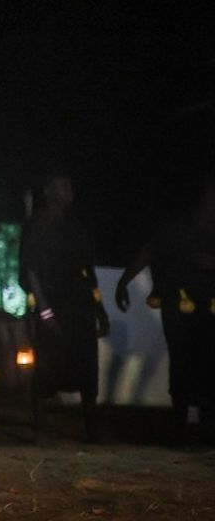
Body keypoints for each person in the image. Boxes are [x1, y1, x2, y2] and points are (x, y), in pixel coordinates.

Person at [115, 170, 215, 443]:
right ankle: (181, 422)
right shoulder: (176, 228)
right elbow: (150, 250)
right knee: (183, 361)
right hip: (179, 306)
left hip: (209, 309)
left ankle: (206, 422)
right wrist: (124, 281)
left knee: (208, 362)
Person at [20, 171, 109, 441]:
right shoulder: (37, 225)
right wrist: (45, 311)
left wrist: (99, 309)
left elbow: (87, 272)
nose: (69, 190)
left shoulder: (75, 227)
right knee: (47, 365)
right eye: (63, 185)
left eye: (70, 185)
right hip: (52, 304)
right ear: (49, 191)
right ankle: (40, 428)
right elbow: (31, 271)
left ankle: (92, 430)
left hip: (79, 305)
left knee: (86, 364)